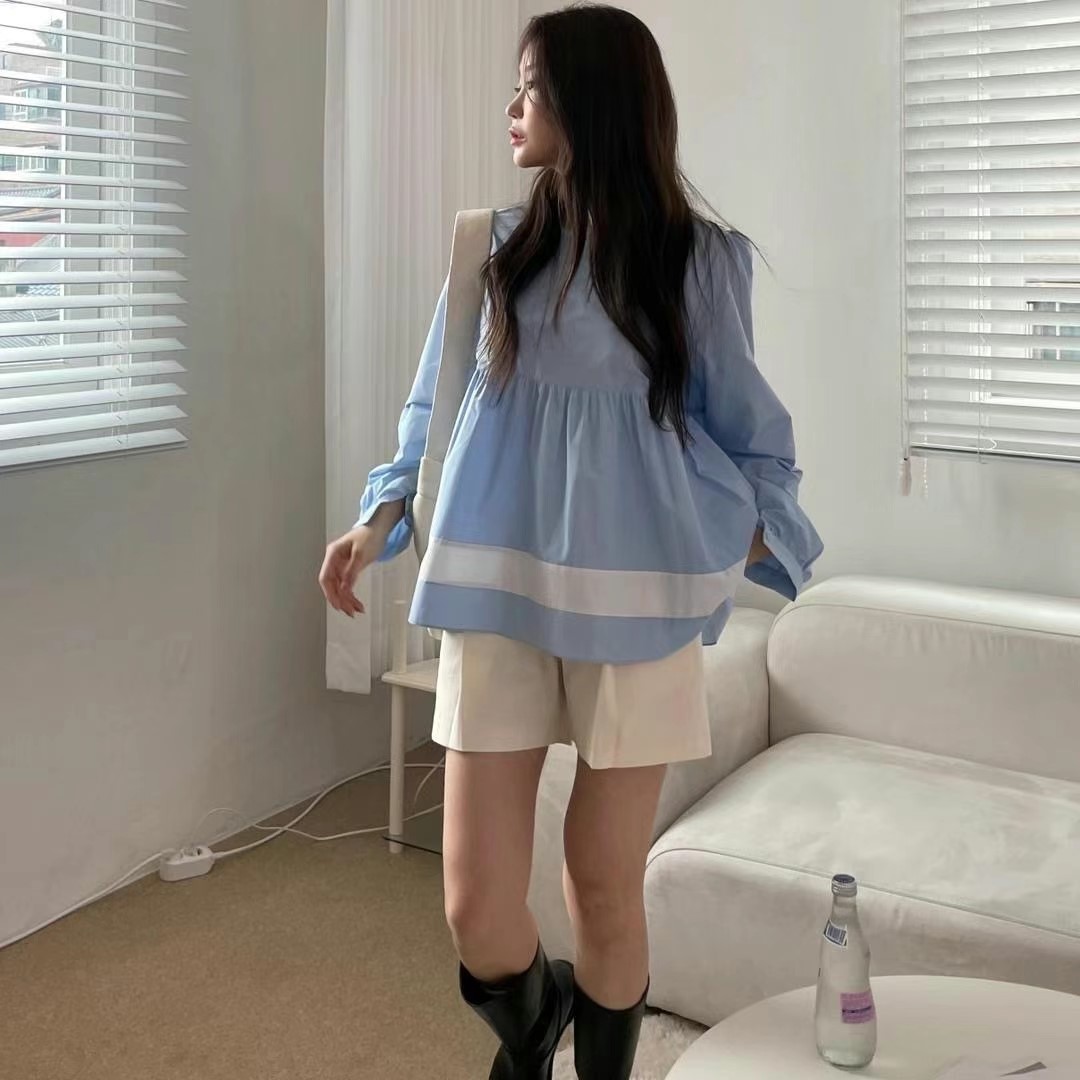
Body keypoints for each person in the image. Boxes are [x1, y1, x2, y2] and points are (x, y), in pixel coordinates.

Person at [319, 5, 823, 1077]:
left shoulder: (697, 262)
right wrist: (380, 514)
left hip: (637, 609)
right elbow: (436, 410)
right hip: (493, 588)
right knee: (476, 909)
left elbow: (753, 437)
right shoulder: (490, 249)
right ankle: (537, 1020)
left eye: (531, 87)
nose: (511, 107)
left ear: (591, 103)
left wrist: (731, 535)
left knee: (601, 883)